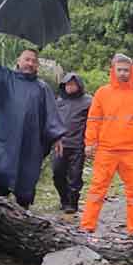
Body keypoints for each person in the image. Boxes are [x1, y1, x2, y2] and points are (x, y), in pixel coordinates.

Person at [0, 20, 66, 208]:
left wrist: (57, 137)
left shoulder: (42, 88)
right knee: (0, 182)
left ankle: (22, 218)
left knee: (25, 182)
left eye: (34, 61)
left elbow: (51, 115)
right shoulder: (5, 79)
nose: (30, 63)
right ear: (18, 61)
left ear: (37, 66)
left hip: (29, 144)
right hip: (5, 140)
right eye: (27, 59)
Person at [80, 53, 133, 237]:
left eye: (126, 70)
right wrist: (90, 142)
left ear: (132, 71)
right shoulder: (102, 93)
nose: (123, 73)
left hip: (131, 149)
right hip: (106, 149)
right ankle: (87, 225)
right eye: (120, 69)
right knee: (97, 189)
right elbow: (93, 120)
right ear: (113, 71)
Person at [52, 72, 92, 214]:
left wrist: (90, 143)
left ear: (79, 85)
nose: (70, 87)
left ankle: (72, 203)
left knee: (75, 176)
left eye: (73, 84)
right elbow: (53, 121)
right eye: (67, 84)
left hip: (78, 145)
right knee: (57, 173)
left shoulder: (88, 101)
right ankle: (64, 199)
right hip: (60, 144)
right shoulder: (58, 101)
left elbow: (93, 123)